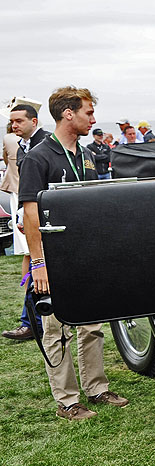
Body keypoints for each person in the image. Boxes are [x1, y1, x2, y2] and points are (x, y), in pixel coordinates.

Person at [19, 86, 129, 420]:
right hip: (53, 261)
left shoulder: (86, 155)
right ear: (69, 114)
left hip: (85, 256)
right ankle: (67, 401)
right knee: (56, 331)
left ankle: (96, 388)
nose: (93, 119)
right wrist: (38, 263)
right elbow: (31, 213)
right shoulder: (38, 157)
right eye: (88, 113)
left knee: (91, 326)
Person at [2, 101, 50, 342]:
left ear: (34, 121)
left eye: (19, 121)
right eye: (12, 121)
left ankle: (32, 322)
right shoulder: (22, 146)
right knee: (33, 264)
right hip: (28, 212)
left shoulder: (47, 143)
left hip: (46, 216)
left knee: (37, 265)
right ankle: (31, 321)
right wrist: (22, 212)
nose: (14, 125)